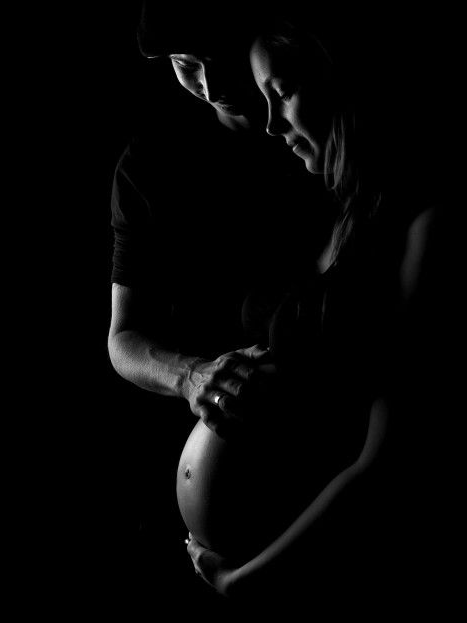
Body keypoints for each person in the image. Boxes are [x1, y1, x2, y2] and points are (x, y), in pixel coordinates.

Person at [184, 15, 467, 613]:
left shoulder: (426, 226)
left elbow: (387, 464)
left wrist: (240, 583)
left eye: (282, 93)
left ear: (338, 76)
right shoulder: (339, 212)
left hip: (310, 580)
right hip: (245, 553)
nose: (270, 124)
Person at [107, 2, 333, 565]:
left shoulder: (314, 140)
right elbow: (123, 339)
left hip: (310, 476)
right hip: (177, 505)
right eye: (185, 65)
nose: (210, 85)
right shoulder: (151, 163)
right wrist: (190, 376)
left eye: (219, 59)